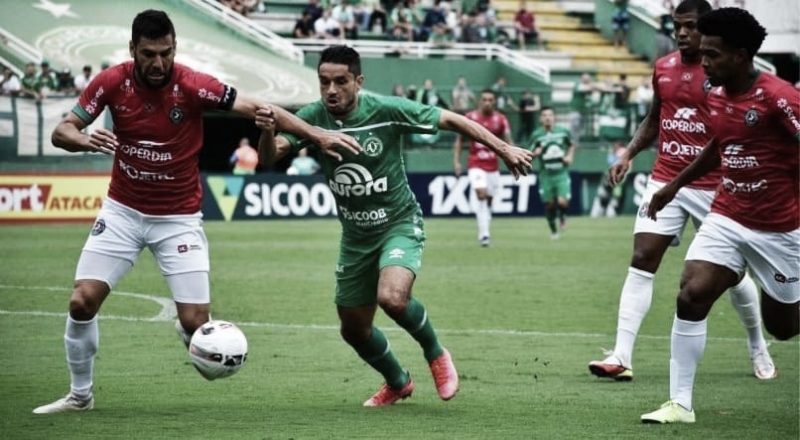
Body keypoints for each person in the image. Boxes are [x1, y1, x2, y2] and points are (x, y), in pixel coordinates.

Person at [31, 9, 357, 415]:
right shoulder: (112, 82)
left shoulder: (193, 85)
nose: (158, 63)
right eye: (148, 54)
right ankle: (80, 395)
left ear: (175, 48)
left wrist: (317, 134)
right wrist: (83, 139)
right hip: (122, 212)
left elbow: (262, 107)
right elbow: (62, 130)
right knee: (82, 302)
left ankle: (186, 329)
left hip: (178, 219)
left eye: (165, 53)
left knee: (194, 322)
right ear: (133, 49)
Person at [256, 45, 533, 407]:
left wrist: (503, 148)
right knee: (354, 330)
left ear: (359, 81)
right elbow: (269, 157)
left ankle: (436, 353)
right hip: (355, 237)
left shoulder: (386, 110)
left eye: (341, 81)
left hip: (399, 223)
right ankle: (398, 382)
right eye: (324, 82)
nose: (331, 90)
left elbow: (450, 119)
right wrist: (266, 132)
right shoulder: (313, 116)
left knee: (392, 297)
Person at [588, 0, 774, 386]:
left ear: (705, 29)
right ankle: (621, 355)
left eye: (690, 26)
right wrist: (628, 153)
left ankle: (758, 345)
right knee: (642, 258)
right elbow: (655, 117)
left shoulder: (723, 72)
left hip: (715, 186)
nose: (683, 33)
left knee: (732, 275)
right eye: (677, 26)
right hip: (665, 178)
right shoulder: (664, 67)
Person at [641, 7, 798, 424]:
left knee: (784, 327)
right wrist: (671, 187)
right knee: (692, 292)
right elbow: (718, 145)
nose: (704, 62)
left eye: (713, 54)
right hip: (728, 214)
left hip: (781, 227)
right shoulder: (715, 93)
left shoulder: (780, 97)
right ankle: (680, 404)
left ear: (742, 55)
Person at [453, 89, 512, 247]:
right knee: (481, 194)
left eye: (490, 100)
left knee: (489, 199)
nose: (487, 102)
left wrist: (513, 160)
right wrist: (457, 162)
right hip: (475, 163)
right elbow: (459, 140)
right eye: (484, 99)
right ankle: (484, 234)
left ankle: (485, 222)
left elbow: (508, 141)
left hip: (493, 166)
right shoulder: (470, 118)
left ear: (494, 102)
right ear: (480, 101)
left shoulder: (501, 119)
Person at [528, 107, 575, 239]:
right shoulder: (536, 135)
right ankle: (553, 231)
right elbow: (529, 154)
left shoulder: (563, 132)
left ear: (554, 117)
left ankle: (563, 216)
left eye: (550, 115)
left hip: (561, 173)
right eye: (544, 115)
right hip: (546, 175)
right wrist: (535, 153)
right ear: (540, 119)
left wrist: (569, 157)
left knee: (562, 202)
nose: (547, 118)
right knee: (549, 205)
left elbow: (571, 145)